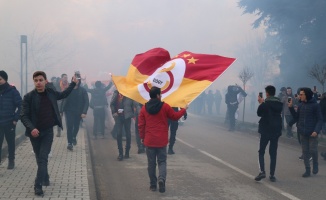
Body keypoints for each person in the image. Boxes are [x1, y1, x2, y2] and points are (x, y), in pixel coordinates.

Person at [20, 71, 78, 196]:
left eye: (41, 80)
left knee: (43, 158)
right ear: (34, 82)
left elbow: (63, 94)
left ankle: (38, 185)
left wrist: (73, 83)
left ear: (45, 81)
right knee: (39, 158)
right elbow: (23, 115)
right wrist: (31, 128)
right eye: (36, 80)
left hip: (47, 132)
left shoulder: (51, 93)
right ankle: (45, 177)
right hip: (34, 133)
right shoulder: (28, 97)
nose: (38, 82)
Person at [138, 86, 188, 193]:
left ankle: (152, 185)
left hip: (149, 140)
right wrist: (184, 110)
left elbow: (141, 125)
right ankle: (161, 179)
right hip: (161, 140)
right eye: (160, 94)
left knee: (151, 164)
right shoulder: (165, 107)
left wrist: (142, 137)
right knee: (162, 162)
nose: (161, 96)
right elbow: (174, 117)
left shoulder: (144, 108)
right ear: (157, 95)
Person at [288, 87, 322, 177]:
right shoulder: (300, 105)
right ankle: (307, 170)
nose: (300, 96)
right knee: (305, 152)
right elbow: (296, 117)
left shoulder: (315, 105)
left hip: (312, 133)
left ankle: (315, 164)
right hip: (302, 132)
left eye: (302, 94)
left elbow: (320, 120)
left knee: (313, 150)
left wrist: (316, 131)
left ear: (306, 95)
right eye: (300, 94)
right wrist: (291, 108)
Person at [255, 85, 283, 182]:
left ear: (266, 93)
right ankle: (272, 175)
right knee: (273, 153)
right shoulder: (280, 104)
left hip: (265, 130)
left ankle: (262, 171)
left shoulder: (265, 104)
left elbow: (259, 113)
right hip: (276, 130)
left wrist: (261, 103)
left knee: (261, 151)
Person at [0, 70, 22, 169]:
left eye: (0, 79)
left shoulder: (12, 91)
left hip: (9, 122)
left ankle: (11, 160)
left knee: (11, 143)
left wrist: (15, 118)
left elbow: (21, 105)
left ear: (5, 79)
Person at [62, 72, 89, 151]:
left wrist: (84, 112)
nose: (76, 80)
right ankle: (69, 143)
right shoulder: (68, 89)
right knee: (69, 127)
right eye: (74, 79)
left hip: (78, 112)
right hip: (69, 111)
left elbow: (86, 101)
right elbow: (63, 99)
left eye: (77, 79)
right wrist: (61, 110)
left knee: (76, 126)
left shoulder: (82, 90)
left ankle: (74, 137)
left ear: (79, 81)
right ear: (72, 80)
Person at [110, 90, 137, 161]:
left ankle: (127, 152)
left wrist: (133, 112)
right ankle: (120, 153)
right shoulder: (116, 93)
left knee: (128, 134)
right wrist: (114, 112)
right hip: (118, 116)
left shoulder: (129, 93)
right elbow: (112, 103)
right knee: (119, 134)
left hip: (127, 116)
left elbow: (134, 104)